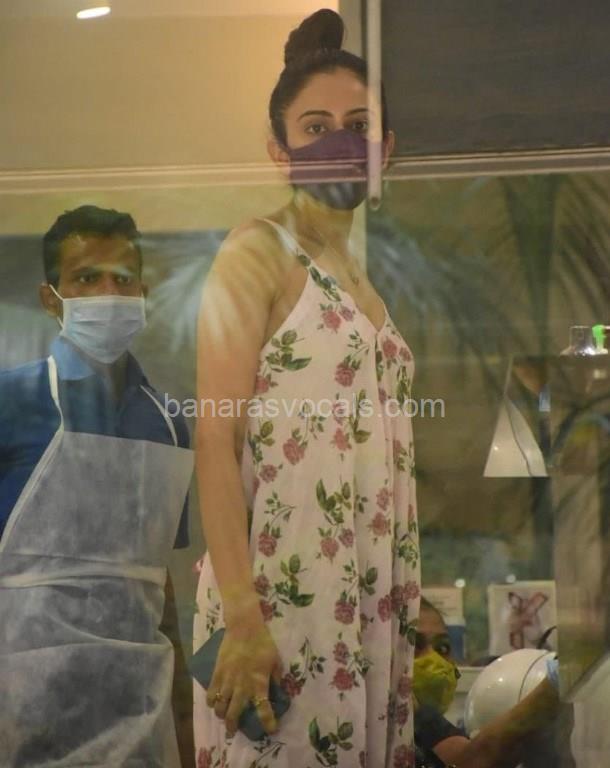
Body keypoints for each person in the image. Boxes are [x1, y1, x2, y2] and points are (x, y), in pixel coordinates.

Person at [193, 9, 420, 768]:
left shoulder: (367, 284)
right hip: (280, 602)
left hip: (368, 599)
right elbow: (214, 437)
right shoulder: (257, 250)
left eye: (359, 126)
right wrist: (242, 618)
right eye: (316, 127)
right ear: (279, 147)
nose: (340, 141)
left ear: (387, 147)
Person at [0, 205, 194, 767]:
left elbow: (160, 584)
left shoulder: (166, 421)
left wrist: (184, 715)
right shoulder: (13, 401)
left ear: (143, 294)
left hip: (138, 704)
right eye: (86, 278)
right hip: (23, 699)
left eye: (122, 279)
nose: (108, 293)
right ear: (50, 298)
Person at [413, 598, 575, 768]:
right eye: (414, 645)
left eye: (442, 648)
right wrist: (552, 686)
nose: (433, 658)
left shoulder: (425, 721)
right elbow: (477, 759)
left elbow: (468, 757)